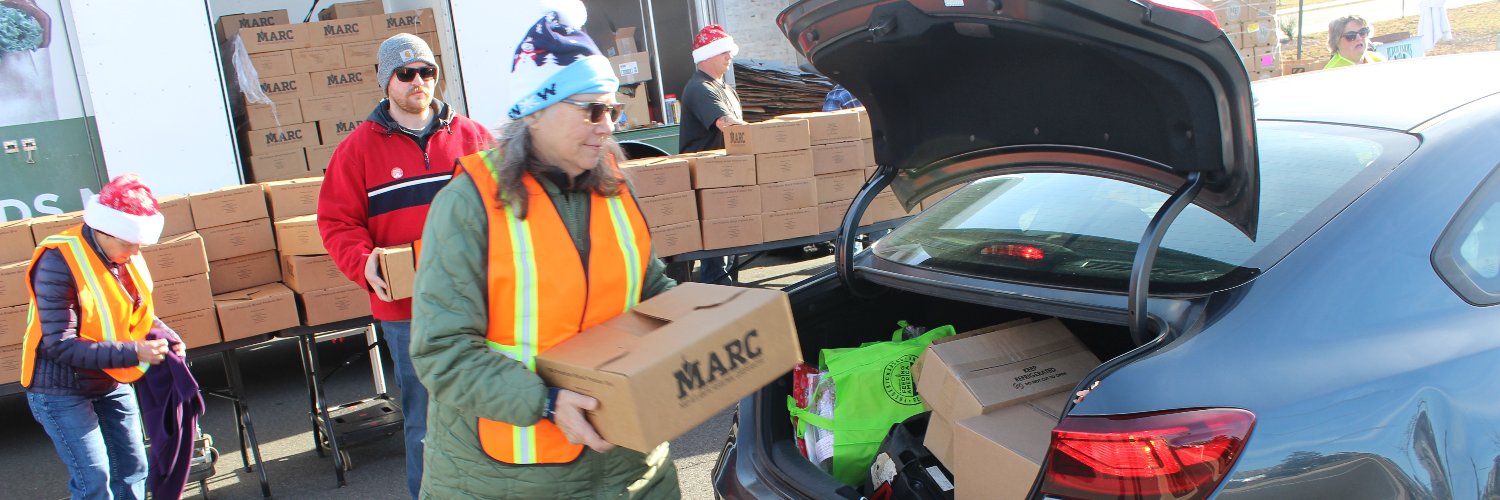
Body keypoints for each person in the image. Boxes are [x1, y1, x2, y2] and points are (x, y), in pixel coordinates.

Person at [408, 2, 679, 497]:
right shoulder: (469, 205)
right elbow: (441, 353)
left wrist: (713, 328)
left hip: (631, 470)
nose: (608, 126)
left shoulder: (615, 189)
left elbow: (652, 289)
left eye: (613, 109)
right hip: (507, 478)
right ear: (534, 112)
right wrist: (550, 402)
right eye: (592, 110)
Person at [316, 32, 493, 499]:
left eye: (427, 72)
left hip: (480, 299)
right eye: (406, 73)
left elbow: (509, 204)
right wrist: (362, 263)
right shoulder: (357, 150)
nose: (419, 81)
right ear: (385, 81)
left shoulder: (474, 138)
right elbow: (337, 221)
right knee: (426, 421)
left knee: (491, 406)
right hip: (406, 313)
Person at [20, 173, 184, 500]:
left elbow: (137, 312)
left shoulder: (124, 255)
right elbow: (61, 344)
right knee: (94, 479)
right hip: (59, 388)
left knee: (133, 468)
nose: (135, 250)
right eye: (128, 243)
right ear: (103, 230)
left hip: (109, 380)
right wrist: (135, 352)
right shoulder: (57, 260)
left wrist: (166, 336)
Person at [679, 24, 745, 284]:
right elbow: (726, 124)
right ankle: (718, 295)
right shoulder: (699, 88)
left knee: (730, 240)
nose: (730, 56)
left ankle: (728, 289)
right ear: (706, 55)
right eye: (723, 52)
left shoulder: (725, 88)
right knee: (716, 248)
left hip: (726, 176)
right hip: (708, 179)